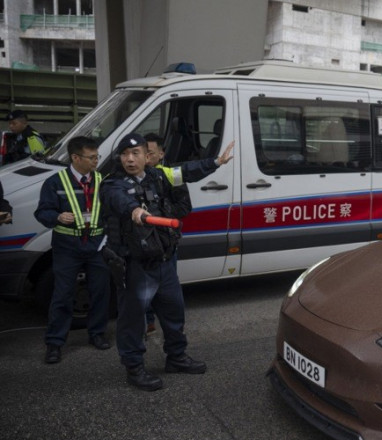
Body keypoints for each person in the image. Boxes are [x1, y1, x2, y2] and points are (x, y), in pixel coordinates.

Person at [100, 133, 206, 391]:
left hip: (164, 260)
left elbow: (186, 172)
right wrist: (134, 210)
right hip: (135, 264)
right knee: (133, 319)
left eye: (135, 153)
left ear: (147, 157)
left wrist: (216, 163)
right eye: (125, 154)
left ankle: (177, 357)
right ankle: (134, 367)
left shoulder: (157, 176)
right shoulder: (112, 184)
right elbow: (119, 200)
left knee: (173, 312)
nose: (130, 159)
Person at [141, 133, 234, 335]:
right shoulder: (129, 178)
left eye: (150, 153)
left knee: (168, 292)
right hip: (142, 243)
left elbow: (185, 202)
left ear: (160, 153)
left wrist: (161, 216)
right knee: (141, 288)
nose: (145, 158)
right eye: (142, 153)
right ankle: (146, 322)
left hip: (165, 241)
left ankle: (173, 338)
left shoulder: (168, 174)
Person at [34, 136, 111, 364]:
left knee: (100, 292)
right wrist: (57, 216)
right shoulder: (55, 183)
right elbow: (42, 213)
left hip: (97, 246)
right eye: (92, 157)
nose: (96, 161)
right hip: (67, 248)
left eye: (97, 156)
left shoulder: (102, 180)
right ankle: (55, 343)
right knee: (63, 295)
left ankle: (97, 334)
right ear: (76, 158)